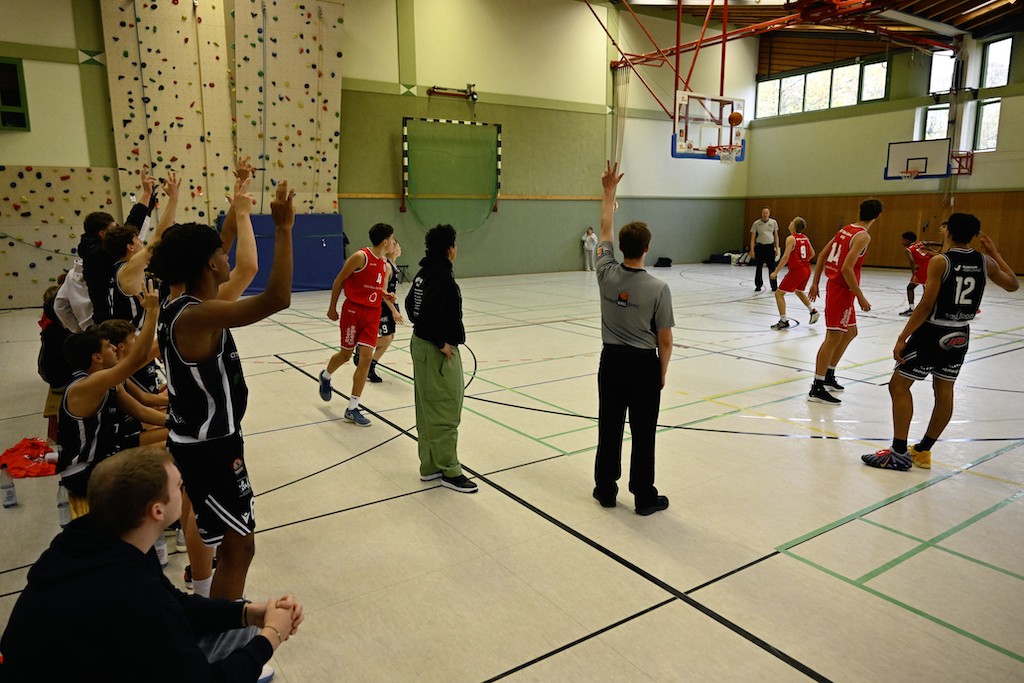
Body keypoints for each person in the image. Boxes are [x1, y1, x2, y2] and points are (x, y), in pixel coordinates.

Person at [0, 446, 303, 682]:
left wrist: (251, 613)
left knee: (243, 627)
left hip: (76, 664)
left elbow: (178, 605)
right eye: (179, 486)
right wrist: (272, 636)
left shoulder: (98, 538)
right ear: (157, 510)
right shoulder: (132, 591)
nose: (185, 492)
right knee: (250, 642)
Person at [149, 177, 294, 602]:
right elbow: (277, 298)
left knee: (220, 537)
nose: (225, 254)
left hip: (199, 439)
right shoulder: (196, 317)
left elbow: (227, 248)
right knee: (239, 548)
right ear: (210, 265)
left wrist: (238, 213)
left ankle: (207, 599)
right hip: (209, 445)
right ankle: (222, 639)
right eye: (219, 251)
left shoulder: (186, 305)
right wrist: (283, 230)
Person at [862, 215, 1019, 470]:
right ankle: (923, 451)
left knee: (898, 386)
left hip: (933, 332)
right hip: (960, 334)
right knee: (944, 392)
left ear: (948, 232)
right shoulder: (984, 261)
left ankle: (899, 452)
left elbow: (925, 305)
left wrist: (902, 337)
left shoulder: (940, 262)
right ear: (975, 235)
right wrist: (996, 254)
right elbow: (1012, 285)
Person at [592, 162, 674, 516]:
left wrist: (609, 192)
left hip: (611, 362)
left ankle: (606, 490)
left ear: (619, 248)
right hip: (643, 365)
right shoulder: (658, 288)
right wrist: (662, 372)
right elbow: (665, 340)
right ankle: (643, 496)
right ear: (648, 247)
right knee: (644, 434)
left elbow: (605, 227)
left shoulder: (604, 272)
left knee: (609, 427)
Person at [56, 281, 167, 515]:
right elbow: (137, 360)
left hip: (107, 451)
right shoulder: (86, 386)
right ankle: (159, 518)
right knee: (169, 456)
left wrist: (182, 421)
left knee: (176, 437)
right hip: (83, 471)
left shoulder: (107, 381)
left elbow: (142, 409)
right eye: (108, 347)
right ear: (97, 357)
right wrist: (152, 313)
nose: (115, 350)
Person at [405, 224, 477, 493]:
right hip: (435, 352)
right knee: (446, 409)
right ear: (449, 249)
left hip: (421, 346)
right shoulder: (442, 277)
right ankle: (450, 469)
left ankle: (430, 465)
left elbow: (412, 308)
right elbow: (428, 315)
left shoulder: (424, 273)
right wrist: (440, 342)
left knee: (427, 410)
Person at [318, 223, 397, 426]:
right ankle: (326, 376)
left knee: (365, 358)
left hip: (373, 314)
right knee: (345, 354)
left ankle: (353, 408)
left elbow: (373, 287)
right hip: (353, 311)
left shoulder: (384, 263)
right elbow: (339, 280)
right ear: (385, 241)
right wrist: (332, 307)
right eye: (392, 239)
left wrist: (384, 294)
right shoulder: (360, 257)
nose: (394, 242)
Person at [806, 199, 883, 404]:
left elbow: (823, 254)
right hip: (841, 289)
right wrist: (861, 296)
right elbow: (847, 268)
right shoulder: (863, 236)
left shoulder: (845, 230)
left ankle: (829, 373)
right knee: (833, 337)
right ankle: (817, 386)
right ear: (877, 216)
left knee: (850, 332)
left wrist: (815, 282)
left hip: (842, 289)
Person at [361, 237, 404, 383]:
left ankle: (371, 366)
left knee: (390, 337)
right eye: (397, 245)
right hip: (382, 306)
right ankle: (361, 348)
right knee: (385, 338)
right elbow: (382, 291)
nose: (399, 248)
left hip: (389, 304)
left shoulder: (394, 264)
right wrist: (394, 311)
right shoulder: (386, 266)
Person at [768, 217, 818, 330]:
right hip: (806, 269)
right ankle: (813, 311)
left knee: (778, 294)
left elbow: (785, 256)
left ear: (794, 226)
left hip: (797, 271)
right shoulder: (805, 237)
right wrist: (802, 260)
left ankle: (783, 321)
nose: (790, 222)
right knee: (799, 291)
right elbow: (812, 253)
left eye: (792, 222)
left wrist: (776, 272)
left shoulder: (791, 238)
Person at [899, 230, 943, 316]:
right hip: (932, 264)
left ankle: (912, 309)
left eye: (903, 240)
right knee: (926, 289)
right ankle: (931, 308)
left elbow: (912, 261)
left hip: (923, 268)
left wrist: (914, 274)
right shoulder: (920, 243)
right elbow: (930, 242)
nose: (902, 242)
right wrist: (942, 244)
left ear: (907, 240)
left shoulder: (908, 250)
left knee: (910, 288)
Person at [749, 206, 779, 292]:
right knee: (759, 267)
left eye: (766, 213)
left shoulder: (773, 222)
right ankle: (758, 285)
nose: (765, 214)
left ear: (769, 214)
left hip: (770, 247)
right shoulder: (756, 223)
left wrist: (777, 248)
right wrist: (752, 250)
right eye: (763, 213)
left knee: (772, 268)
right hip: (760, 247)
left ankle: (774, 286)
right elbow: (753, 238)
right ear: (761, 213)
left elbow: (776, 236)